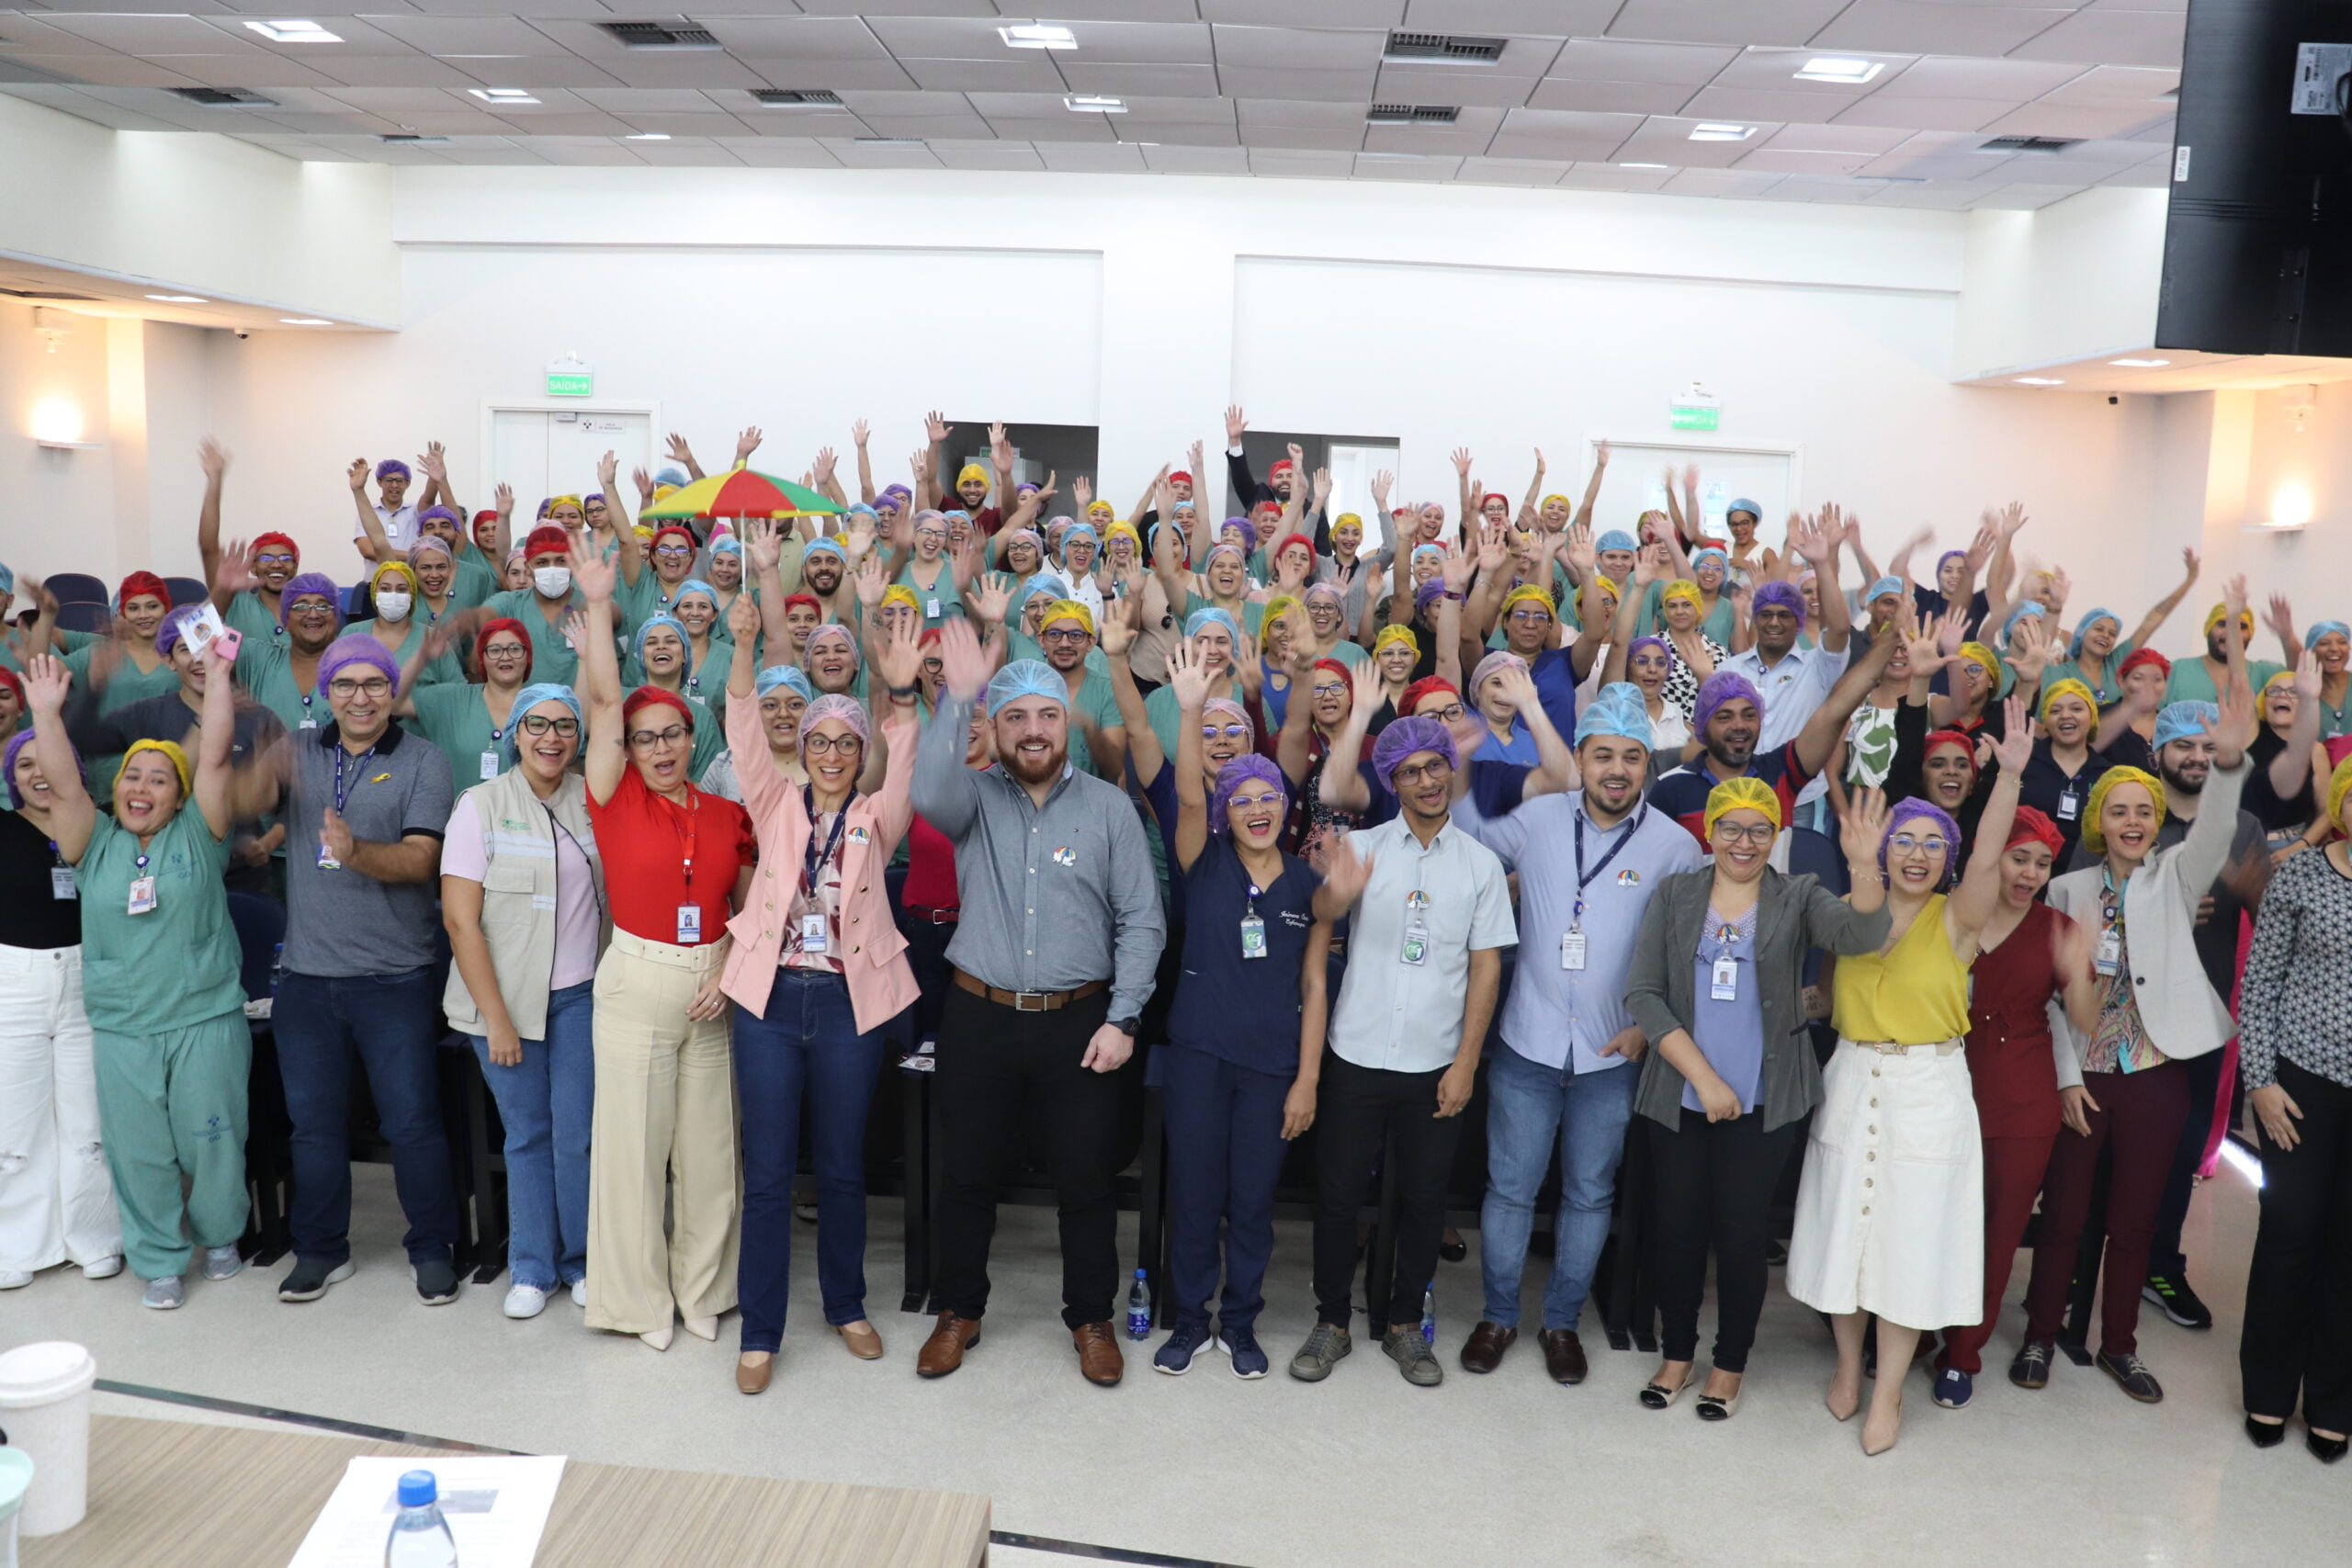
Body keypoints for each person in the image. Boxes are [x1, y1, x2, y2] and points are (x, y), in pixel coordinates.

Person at [910, 624, 1164, 1387]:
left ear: (1066, 722)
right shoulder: (972, 798)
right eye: (1014, 715)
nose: (1032, 730)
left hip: (1080, 1021)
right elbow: (927, 791)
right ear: (996, 726)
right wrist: (958, 697)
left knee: (1086, 1180)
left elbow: (1141, 920)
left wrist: (1123, 1017)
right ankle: (959, 1309)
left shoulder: (1111, 809)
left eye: (1046, 715)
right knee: (966, 1175)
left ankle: (1091, 1318)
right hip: (979, 1014)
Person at [1788, 714, 2030, 1454]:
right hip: (1853, 1074)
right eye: (1904, 840)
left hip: (1928, 1085)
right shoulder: (1851, 911)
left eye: (1933, 843)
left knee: (1908, 1240)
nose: (1918, 853)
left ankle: (1889, 1389)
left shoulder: (1959, 918)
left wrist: (2010, 775)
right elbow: (1826, 989)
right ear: (1881, 849)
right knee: (1846, 1232)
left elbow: (1988, 856)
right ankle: (1848, 1365)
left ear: (1947, 858)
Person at [1451, 683, 1702, 1384]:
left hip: (1612, 1052)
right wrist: (1459, 757)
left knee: (1590, 1193)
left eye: (1631, 756)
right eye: (1602, 755)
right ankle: (1499, 1316)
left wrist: (1648, 1029)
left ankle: (1561, 1322)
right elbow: (1463, 827)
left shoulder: (1677, 847)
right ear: (1581, 758)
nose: (1616, 769)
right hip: (1527, 1041)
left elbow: (1686, 951)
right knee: (1510, 1188)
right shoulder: (1536, 817)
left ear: (1648, 764)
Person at [1624, 779, 1893, 1419]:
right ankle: (1678, 1354)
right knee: (1678, 1231)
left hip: (1767, 1099)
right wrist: (1705, 1080)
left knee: (1742, 1237)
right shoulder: (1675, 893)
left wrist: (1864, 864)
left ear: (1775, 837)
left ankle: (1729, 1364)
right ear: (1710, 832)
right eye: (1731, 828)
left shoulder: (1797, 894)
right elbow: (1643, 993)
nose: (1744, 842)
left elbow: (1862, 935)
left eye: (1759, 830)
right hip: (1682, 1093)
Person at [2020, 682, 2255, 1403]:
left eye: (2144, 811)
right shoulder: (2066, 890)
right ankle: (2039, 1335)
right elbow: (2050, 1000)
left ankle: (2120, 1344)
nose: (2132, 821)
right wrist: (2065, 1077)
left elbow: (2216, 828)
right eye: (2118, 810)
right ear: (2099, 820)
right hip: (2085, 1075)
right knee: (2064, 1214)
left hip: (2156, 1073)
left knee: (2134, 1219)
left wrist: (2228, 763)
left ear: (2158, 823)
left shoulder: (2177, 877)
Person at [718, 597, 922, 1393]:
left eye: (846, 742)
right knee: (769, 1174)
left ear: (861, 751)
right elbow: (743, 728)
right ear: (800, 749)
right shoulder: (774, 803)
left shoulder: (877, 816)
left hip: (846, 1005)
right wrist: (743, 645)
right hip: (769, 1002)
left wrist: (900, 695)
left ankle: (846, 1304)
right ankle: (760, 1330)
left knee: (841, 1168)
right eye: (819, 741)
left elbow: (906, 759)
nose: (832, 753)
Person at [1290, 715, 1515, 1389]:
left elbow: (1486, 967)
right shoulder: (1360, 846)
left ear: (1450, 769)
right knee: (1337, 1196)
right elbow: (1323, 915)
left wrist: (1467, 1061)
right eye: (1409, 771)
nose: (1426, 780)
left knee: (1423, 1200)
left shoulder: (1480, 864)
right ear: (1392, 782)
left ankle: (1403, 1325)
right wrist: (1337, 892)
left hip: (1435, 1061)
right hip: (1356, 1053)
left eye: (1435, 766)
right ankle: (1332, 1320)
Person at [18, 652, 244, 1310]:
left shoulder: (201, 832)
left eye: (159, 779)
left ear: (180, 795)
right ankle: (159, 1259)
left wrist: (218, 679)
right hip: (123, 1026)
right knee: (138, 1150)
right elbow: (64, 785)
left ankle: (221, 1233)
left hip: (204, 1017)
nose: (142, 788)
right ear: (116, 788)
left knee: (212, 1139)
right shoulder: (93, 840)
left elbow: (216, 756)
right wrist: (45, 713)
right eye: (131, 776)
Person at [573, 542, 756, 1351]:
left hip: (710, 986)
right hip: (636, 980)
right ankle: (639, 1301)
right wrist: (599, 602)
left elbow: (749, 909)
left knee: (711, 1154)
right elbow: (603, 703)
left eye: (672, 734)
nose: (659, 749)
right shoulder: (612, 795)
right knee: (634, 1153)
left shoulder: (725, 814)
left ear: (692, 734)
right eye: (644, 738)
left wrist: (731, 968)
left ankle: (704, 1290)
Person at [267, 633, 463, 1306]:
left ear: (390, 691)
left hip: (394, 977)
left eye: (374, 683)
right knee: (314, 1127)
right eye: (346, 684)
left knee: (412, 1122)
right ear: (326, 691)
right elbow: (237, 799)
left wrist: (355, 852)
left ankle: (432, 1246)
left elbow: (421, 860)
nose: (360, 697)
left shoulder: (425, 760)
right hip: (306, 978)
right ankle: (321, 1249)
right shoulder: (296, 751)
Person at [1151, 654, 1321, 1381]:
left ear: (1285, 806)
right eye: (1242, 798)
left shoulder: (1308, 882)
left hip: (1271, 1065)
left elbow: (1314, 984)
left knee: (1252, 1202)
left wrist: (1307, 1078)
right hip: (1199, 1055)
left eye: (1269, 796)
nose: (1257, 807)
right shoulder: (1205, 857)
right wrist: (1192, 709)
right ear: (1227, 810)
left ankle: (1241, 1321)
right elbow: (1188, 798)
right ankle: (1192, 1320)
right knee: (1195, 1196)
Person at [438, 681, 603, 1322]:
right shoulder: (479, 805)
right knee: (528, 1134)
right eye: (537, 724)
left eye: (564, 725)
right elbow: (460, 921)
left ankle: (581, 1261)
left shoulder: (593, 799)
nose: (551, 737)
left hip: (581, 996)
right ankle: (533, 1267)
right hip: (503, 1005)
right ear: (515, 734)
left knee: (577, 1136)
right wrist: (498, 1020)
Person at [1931, 807, 2100, 1408]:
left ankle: (1962, 1353)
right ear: (1990, 858)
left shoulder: (2058, 928)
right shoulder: (1950, 912)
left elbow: (2084, 1019)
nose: (2029, 873)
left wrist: (2084, 964)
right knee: (1932, 1217)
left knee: (1999, 1231)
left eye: (2042, 863)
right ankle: (1914, 1327)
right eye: (2018, 858)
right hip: (1942, 1085)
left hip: (2023, 1097)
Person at [2235, 754, 2352, 1461]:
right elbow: (2259, 983)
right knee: (2289, 1236)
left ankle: (2334, 1401)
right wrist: (2260, 1079)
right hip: (2299, 1087)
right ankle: (2269, 1390)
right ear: (2341, 802)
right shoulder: (2303, 874)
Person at [0, 698, 123, 1290]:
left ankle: (95, 1238)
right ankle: (19, 1245)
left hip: (86, 978)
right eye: (23, 765)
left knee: (87, 1120)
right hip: (13, 983)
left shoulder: (100, 828)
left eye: (46, 760)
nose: (38, 772)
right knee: (16, 1123)